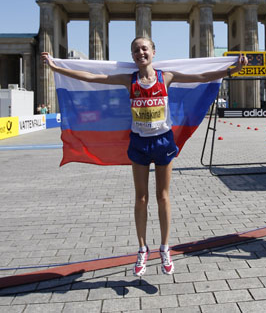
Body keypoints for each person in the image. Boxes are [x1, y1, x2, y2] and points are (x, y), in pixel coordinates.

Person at [41, 37, 247, 277]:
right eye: (136, 50)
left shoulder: (166, 77)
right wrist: (57, 68)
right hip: (139, 143)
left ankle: (165, 248)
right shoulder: (128, 80)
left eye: (144, 48)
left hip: (163, 142)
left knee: (163, 197)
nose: (141, 53)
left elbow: (202, 77)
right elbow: (93, 77)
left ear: (153, 52)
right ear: (133, 56)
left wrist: (233, 70)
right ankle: (142, 249)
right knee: (141, 199)